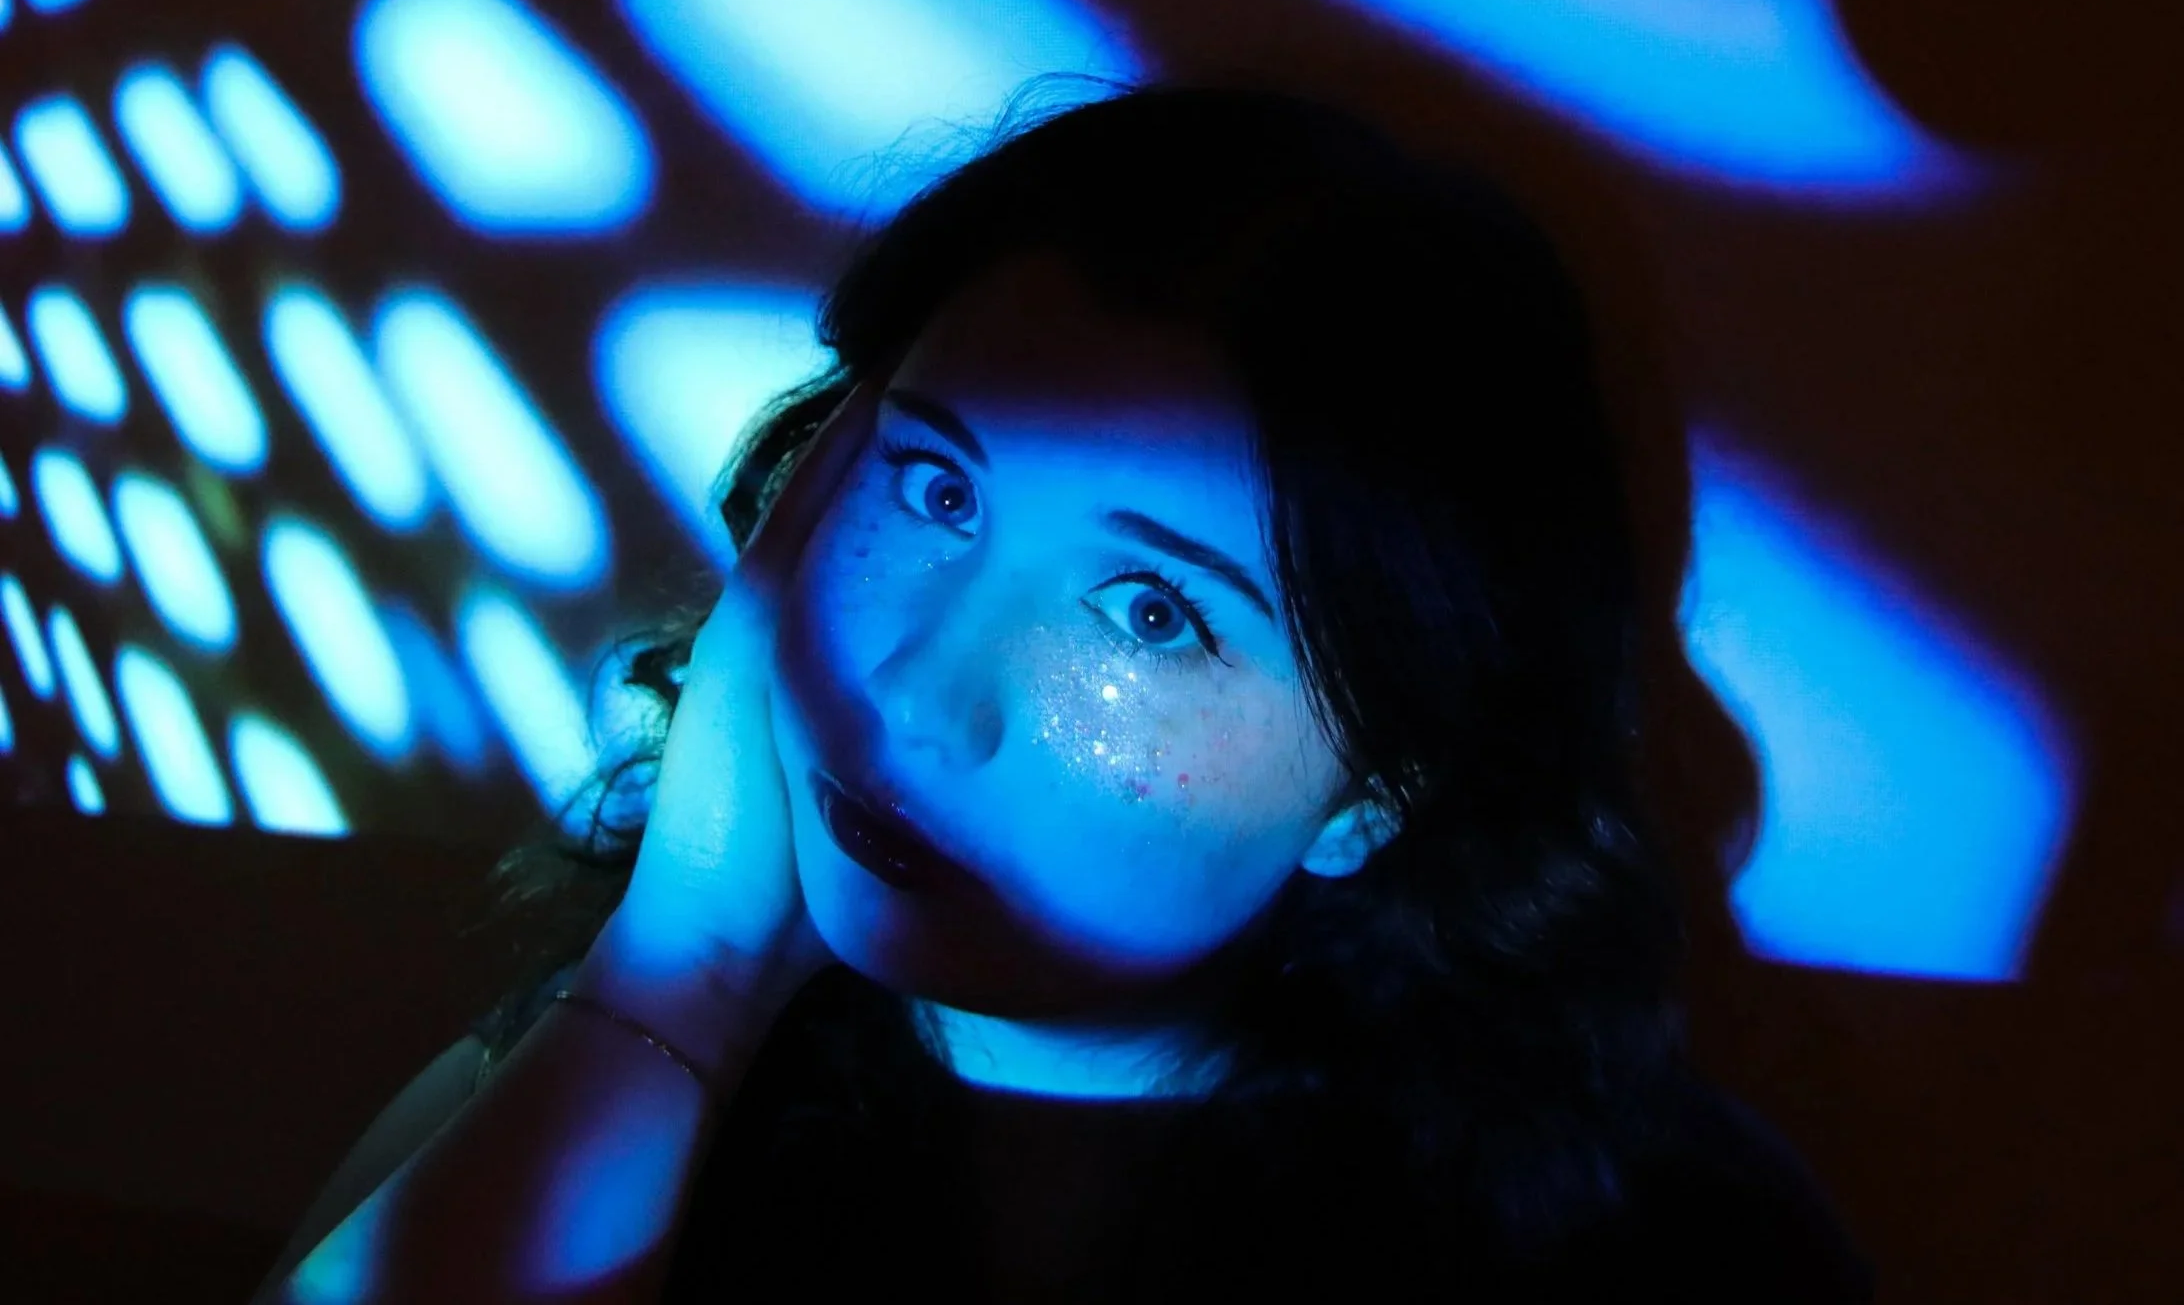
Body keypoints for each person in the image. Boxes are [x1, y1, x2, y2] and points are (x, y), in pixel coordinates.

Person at [255, 81, 1873, 1302]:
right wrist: (678, 974)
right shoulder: (617, 1078)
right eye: (938, 492)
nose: (917, 693)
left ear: (1384, 778)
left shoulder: (1648, 1247)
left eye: (1152, 611)